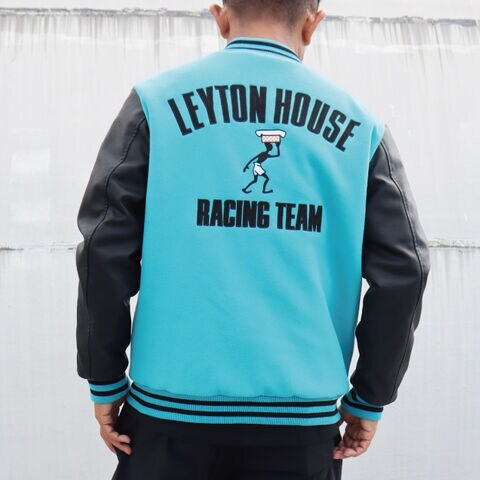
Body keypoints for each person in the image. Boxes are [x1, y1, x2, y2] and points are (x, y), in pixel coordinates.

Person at [75, 1, 431, 479]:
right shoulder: (362, 129)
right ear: (312, 24)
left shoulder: (154, 105)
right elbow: (407, 268)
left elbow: (103, 248)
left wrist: (104, 378)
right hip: (300, 429)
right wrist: (370, 395)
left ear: (220, 16)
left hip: (168, 422)